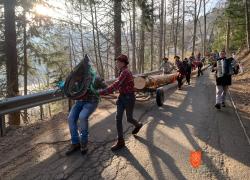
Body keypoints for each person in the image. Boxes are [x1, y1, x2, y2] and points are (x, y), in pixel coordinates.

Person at [98, 54, 143, 151]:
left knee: (129, 119)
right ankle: (121, 141)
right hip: (122, 97)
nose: (116, 64)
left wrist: (100, 92)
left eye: (118, 62)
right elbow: (117, 85)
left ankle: (138, 124)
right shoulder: (122, 71)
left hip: (129, 98)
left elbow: (115, 85)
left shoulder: (125, 72)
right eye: (116, 62)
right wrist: (105, 90)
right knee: (118, 119)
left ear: (123, 63)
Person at [66, 75, 107, 156]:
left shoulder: (95, 78)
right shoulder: (75, 78)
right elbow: (71, 90)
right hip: (79, 102)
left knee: (82, 116)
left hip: (91, 102)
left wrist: (96, 91)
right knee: (70, 118)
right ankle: (75, 143)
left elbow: (105, 87)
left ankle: (84, 144)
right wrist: (69, 90)